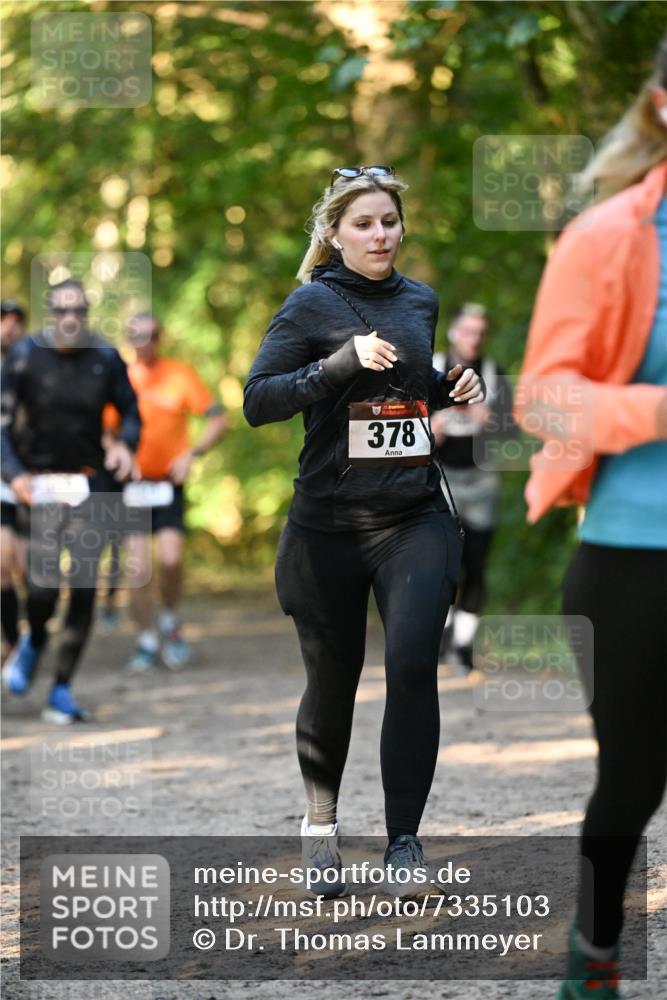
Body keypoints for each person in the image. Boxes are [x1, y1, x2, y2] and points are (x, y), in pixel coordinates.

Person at [244, 165, 484, 897]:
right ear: (334, 233)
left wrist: (450, 386)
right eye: (363, 223)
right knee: (333, 679)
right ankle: (321, 827)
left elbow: (406, 387)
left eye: (388, 221)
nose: (379, 234)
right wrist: (336, 365)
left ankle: (403, 842)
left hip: (413, 515)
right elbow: (258, 401)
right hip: (327, 528)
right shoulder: (310, 304)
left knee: (412, 662)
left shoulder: (420, 301)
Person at [515, 38, 667, 1000]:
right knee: (632, 781)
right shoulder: (610, 236)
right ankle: (596, 947)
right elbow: (542, 401)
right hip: (633, 558)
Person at [1, 279, 141, 722]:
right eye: (61, 310)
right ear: (49, 314)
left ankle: (61, 688)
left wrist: (125, 446)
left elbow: (132, 411)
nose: (70, 319)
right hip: (38, 484)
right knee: (41, 588)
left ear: (86, 314)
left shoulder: (105, 357)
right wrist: (15, 474)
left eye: (78, 310)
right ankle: (35, 637)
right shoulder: (23, 358)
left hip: (90, 483)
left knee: (83, 583)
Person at [119, 313, 227, 671]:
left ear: (159, 337)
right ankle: (145, 639)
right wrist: (114, 451)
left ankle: (168, 619)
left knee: (170, 560)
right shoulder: (119, 379)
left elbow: (217, 417)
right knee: (137, 569)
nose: (143, 342)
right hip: (131, 485)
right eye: (136, 335)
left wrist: (191, 453)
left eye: (150, 335)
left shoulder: (179, 374)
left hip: (168, 485)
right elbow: (102, 429)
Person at [432, 302, 515, 670]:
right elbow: (403, 426)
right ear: (453, 331)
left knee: (475, 564)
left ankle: (463, 647)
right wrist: (431, 428)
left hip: (483, 478)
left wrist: (490, 421)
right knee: (440, 564)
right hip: (440, 479)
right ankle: (441, 638)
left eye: (480, 333)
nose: (474, 339)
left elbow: (512, 434)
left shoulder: (495, 374)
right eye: (468, 331)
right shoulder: (431, 367)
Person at [1, 301, 27, 660]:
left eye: (16, 322)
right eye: (3, 321)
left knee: (27, 570)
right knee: (2, 566)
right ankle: (13, 643)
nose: (9, 327)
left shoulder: (34, 368)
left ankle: (29, 639)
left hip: (29, 476)